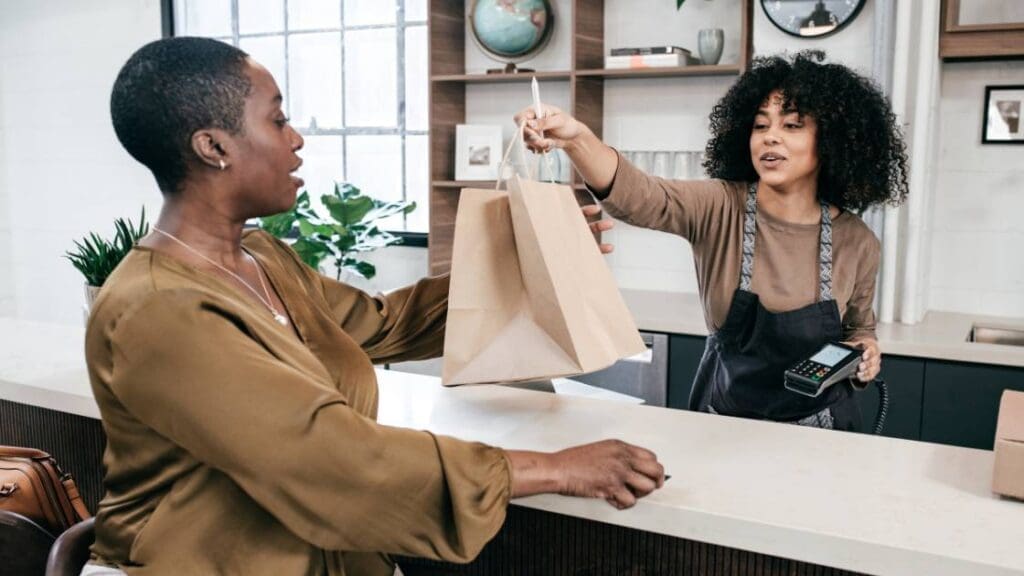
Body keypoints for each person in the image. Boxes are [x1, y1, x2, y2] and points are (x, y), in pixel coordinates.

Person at [83, 37, 664, 576]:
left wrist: (532, 253)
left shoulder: (262, 258)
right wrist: (554, 468)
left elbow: (384, 324)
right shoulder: (157, 309)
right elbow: (328, 458)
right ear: (213, 147)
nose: (297, 138)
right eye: (278, 119)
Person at [517, 51, 909, 431]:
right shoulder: (720, 206)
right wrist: (575, 139)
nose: (770, 138)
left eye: (791, 126)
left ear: (830, 141)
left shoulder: (858, 242)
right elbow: (640, 196)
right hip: (723, 425)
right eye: (760, 126)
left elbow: (858, 329)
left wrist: (866, 353)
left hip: (824, 432)